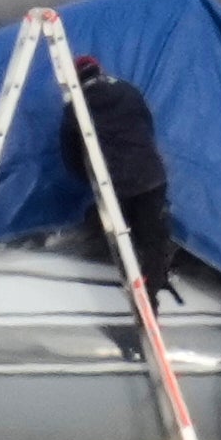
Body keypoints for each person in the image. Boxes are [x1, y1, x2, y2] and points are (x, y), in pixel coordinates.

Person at [65, 53, 176, 298]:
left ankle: (131, 280)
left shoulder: (76, 105)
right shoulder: (129, 90)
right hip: (150, 176)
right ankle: (152, 288)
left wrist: (90, 179)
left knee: (120, 234)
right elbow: (147, 126)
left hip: (115, 182)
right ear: (99, 70)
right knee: (152, 238)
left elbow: (71, 153)